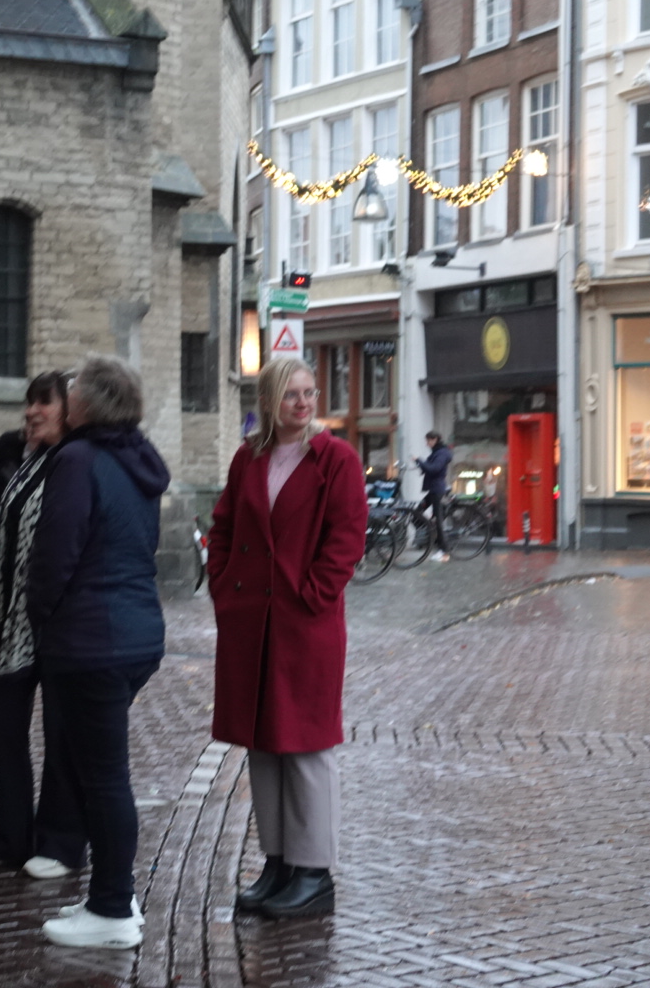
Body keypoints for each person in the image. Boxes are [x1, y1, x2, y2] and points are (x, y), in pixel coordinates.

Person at [208, 356, 367, 919]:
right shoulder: (248, 460)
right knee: (263, 744)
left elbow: (348, 537)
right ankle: (277, 862)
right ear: (270, 403)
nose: (303, 403)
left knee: (305, 747)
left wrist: (313, 595)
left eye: (310, 392)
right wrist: (224, 590)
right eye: (291, 394)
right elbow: (223, 527)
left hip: (306, 625)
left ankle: (313, 871)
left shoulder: (336, 461)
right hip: (252, 621)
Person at [29, 355, 169, 950]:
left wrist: (43, 616)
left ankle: (112, 905)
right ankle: (115, 895)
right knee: (103, 771)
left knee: (104, 777)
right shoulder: (136, 462)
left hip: (91, 639)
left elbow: (55, 553)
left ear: (89, 404)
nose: (68, 396)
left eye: (74, 390)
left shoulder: (78, 460)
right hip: (136, 633)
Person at [0, 371, 86, 880]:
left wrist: (44, 597)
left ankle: (59, 841)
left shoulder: (79, 464)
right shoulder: (13, 460)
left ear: (69, 412)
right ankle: (11, 834)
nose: (32, 412)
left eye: (44, 404)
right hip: (4, 622)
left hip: (56, 624)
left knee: (62, 736)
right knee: (6, 729)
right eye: (29, 403)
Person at [415, 431, 454, 563]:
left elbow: (434, 468)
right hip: (432, 489)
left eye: (429, 441)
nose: (427, 443)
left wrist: (419, 461)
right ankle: (431, 530)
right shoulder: (437, 452)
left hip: (437, 490)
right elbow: (430, 468)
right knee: (417, 512)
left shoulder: (442, 453)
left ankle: (444, 551)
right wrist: (420, 465)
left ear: (435, 439)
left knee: (438, 520)